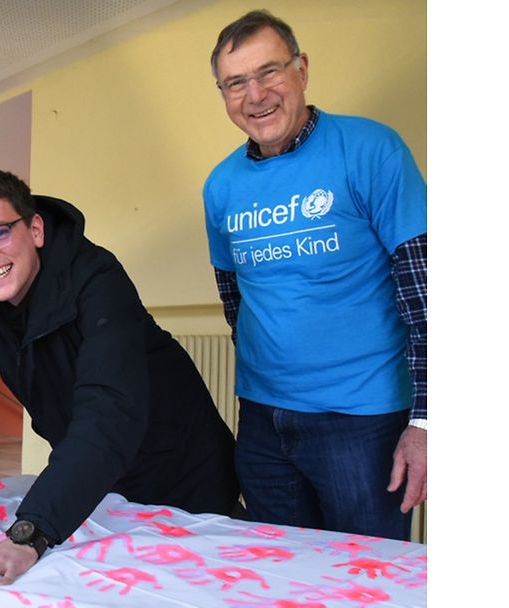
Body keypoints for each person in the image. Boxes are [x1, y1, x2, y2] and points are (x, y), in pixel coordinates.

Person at [0, 168, 239, 585]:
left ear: (35, 229)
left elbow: (109, 410)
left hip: (183, 469)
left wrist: (30, 531)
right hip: (97, 483)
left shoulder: (97, 276)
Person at [202, 10, 427, 540]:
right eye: (236, 83)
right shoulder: (220, 185)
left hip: (364, 423)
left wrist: (426, 422)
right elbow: (236, 299)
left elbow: (427, 294)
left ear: (301, 69)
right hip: (262, 421)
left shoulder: (372, 149)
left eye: (269, 72)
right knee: (281, 576)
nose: (255, 95)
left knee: (367, 581)